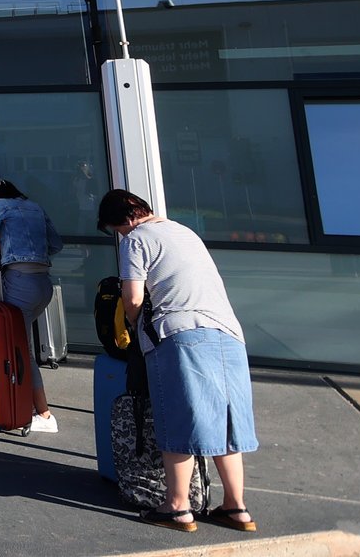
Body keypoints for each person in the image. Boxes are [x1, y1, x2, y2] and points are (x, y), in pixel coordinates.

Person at [99, 189, 260, 534]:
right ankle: (236, 507)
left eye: (117, 230)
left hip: (181, 333)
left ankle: (177, 507)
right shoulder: (185, 232)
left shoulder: (137, 239)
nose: (121, 237)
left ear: (125, 220)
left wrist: (134, 327)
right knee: (225, 422)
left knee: (177, 418)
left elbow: (133, 297)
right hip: (228, 333)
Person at [0, 180, 64, 432]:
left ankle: (44, 415)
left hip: (19, 280)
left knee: (22, 351)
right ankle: (26, 401)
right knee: (22, 346)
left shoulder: (1, 205)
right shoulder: (35, 207)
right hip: (43, 283)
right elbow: (56, 244)